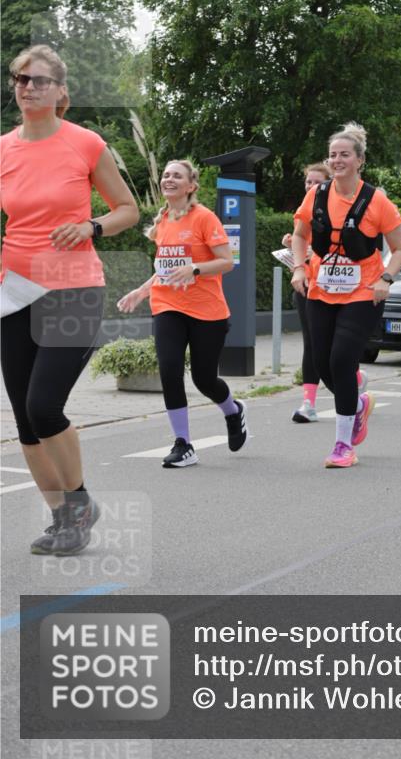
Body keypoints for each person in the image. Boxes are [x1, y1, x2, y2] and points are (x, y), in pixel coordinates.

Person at [0, 44, 139, 555]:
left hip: (74, 288)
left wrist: (91, 225)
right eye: (19, 78)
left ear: (61, 92)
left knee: (44, 405)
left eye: (38, 80)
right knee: (23, 417)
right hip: (15, 293)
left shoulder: (84, 143)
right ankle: (63, 519)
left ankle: (79, 503)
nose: (27, 87)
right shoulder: (2, 149)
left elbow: (128, 209)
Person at [291, 123, 401, 468]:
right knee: (323, 362)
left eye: (344, 155)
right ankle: (357, 404)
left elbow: (400, 249)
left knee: (342, 360)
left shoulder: (377, 201)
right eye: (333, 155)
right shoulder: (316, 195)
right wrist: (300, 267)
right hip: (321, 289)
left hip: (364, 291)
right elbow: (300, 235)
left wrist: (387, 277)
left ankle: (343, 445)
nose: (337, 160)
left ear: (360, 161)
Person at [117, 160, 247, 467]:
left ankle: (233, 411)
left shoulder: (204, 218)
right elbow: (165, 270)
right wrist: (141, 290)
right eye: (166, 175)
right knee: (170, 369)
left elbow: (227, 262)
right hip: (167, 306)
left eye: (177, 175)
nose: (169, 179)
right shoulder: (162, 221)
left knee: (204, 380)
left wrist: (196, 269)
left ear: (191, 186)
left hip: (206, 311)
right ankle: (183, 444)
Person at [282, 161, 368, 423]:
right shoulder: (307, 208)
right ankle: (309, 402)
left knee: (338, 348)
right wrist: (293, 249)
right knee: (313, 344)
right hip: (308, 285)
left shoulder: (344, 207)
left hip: (342, 289)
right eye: (308, 182)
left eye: (317, 182)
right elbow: (299, 239)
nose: (311, 186)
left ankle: (352, 382)